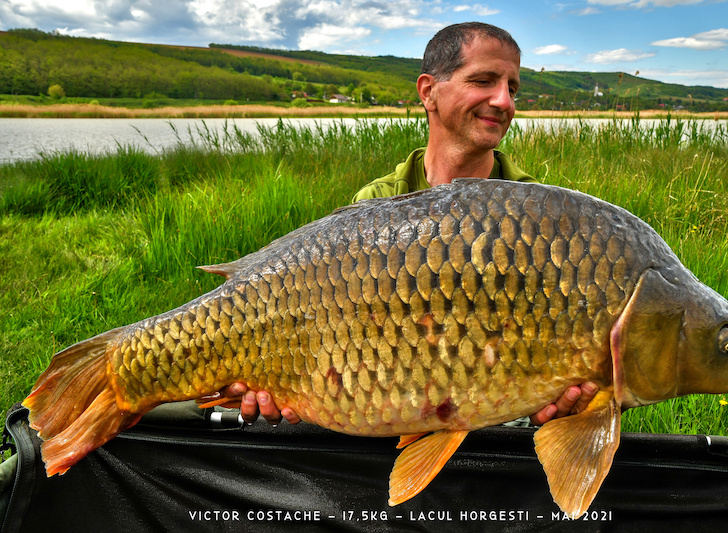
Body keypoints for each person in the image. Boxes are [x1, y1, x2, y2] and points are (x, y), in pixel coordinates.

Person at [219, 22, 598, 426]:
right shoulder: (372, 206)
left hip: (502, 425)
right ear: (428, 91)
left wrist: (583, 397)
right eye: (484, 81)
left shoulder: (543, 219)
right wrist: (284, 384)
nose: (504, 101)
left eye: (513, 87)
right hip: (391, 411)